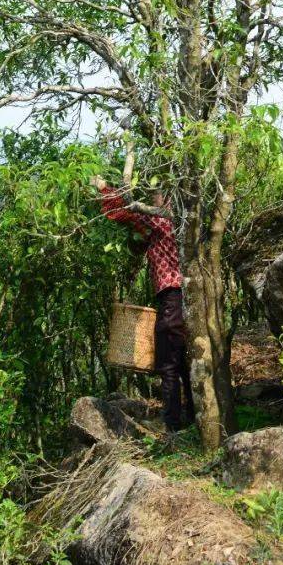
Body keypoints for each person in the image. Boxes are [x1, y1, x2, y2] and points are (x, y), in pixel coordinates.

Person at [92, 166, 195, 432]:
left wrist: (104, 188)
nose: (152, 202)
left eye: (155, 197)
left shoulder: (162, 219)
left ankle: (171, 423)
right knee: (182, 359)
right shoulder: (181, 221)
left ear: (166, 198)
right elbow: (141, 245)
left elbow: (123, 213)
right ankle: (192, 416)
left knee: (168, 360)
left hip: (172, 295)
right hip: (182, 296)